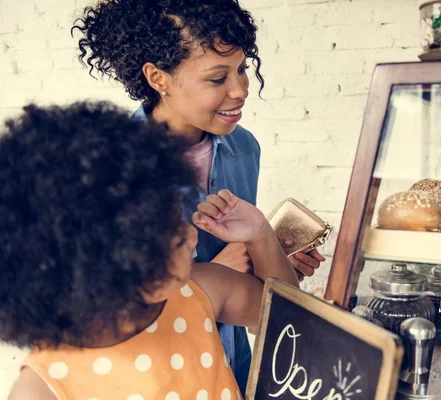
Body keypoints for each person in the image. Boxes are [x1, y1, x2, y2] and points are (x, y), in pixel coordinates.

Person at [72, 0, 325, 391]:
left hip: (232, 370)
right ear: (159, 79)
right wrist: (213, 275)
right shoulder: (107, 167)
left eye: (242, 69)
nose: (241, 90)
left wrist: (271, 253)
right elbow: (99, 301)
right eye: (216, 78)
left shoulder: (245, 149)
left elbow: (273, 308)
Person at [2, 102, 299, 399]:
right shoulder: (43, 389)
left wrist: (260, 235)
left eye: (177, 220)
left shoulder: (200, 291)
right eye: (165, 239)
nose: (190, 236)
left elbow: (291, 322)